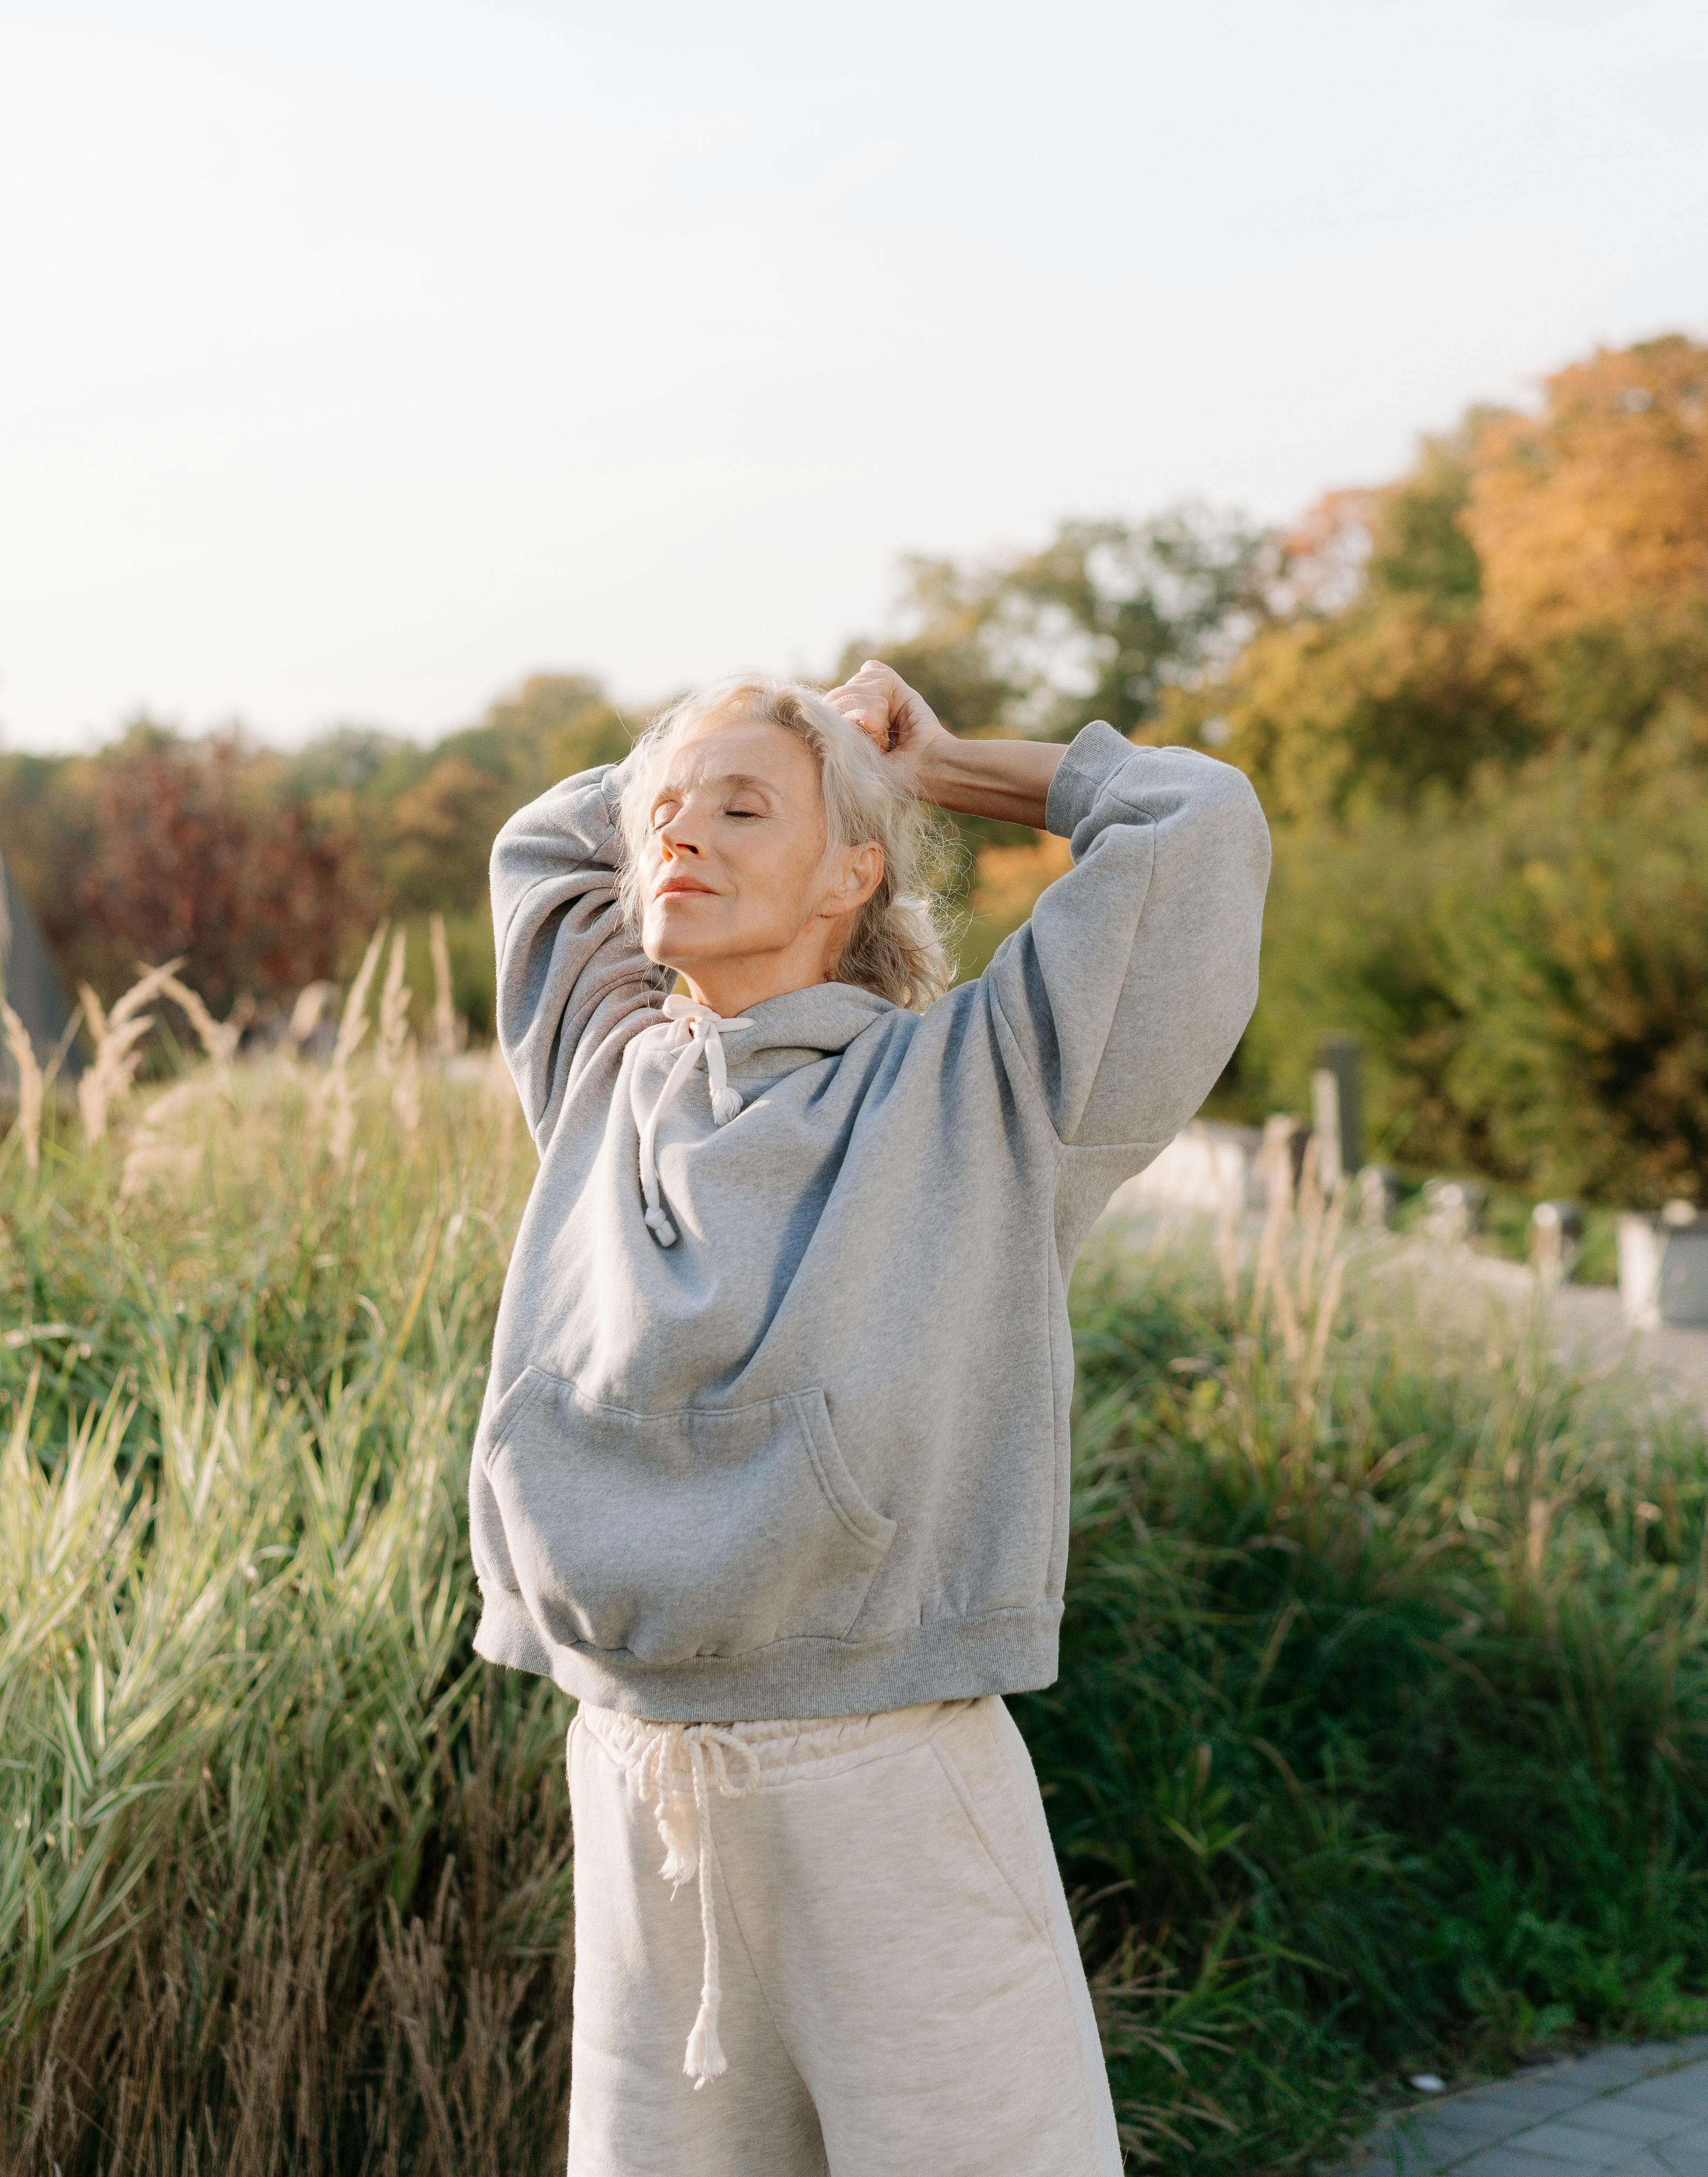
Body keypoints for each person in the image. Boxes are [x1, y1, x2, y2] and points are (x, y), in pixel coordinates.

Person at [471, 659, 1270, 2177]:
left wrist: (929, 763)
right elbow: (540, 846)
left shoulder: (991, 1086)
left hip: (886, 1774)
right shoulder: (600, 1069)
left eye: (741, 810)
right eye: (661, 818)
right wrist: (755, 730)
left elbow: (1196, 821)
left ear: (858, 869)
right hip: (638, 1779)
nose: (678, 838)